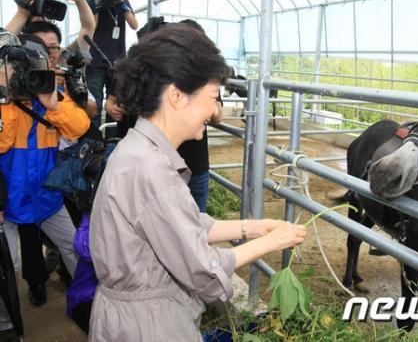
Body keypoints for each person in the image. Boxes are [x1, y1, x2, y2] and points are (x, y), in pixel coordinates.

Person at [89, 25, 306, 341]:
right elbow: (202, 268)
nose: (214, 110)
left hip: (134, 315)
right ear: (176, 96)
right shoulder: (151, 170)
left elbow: (182, 225)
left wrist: (253, 227)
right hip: (149, 326)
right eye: (212, 96)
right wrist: (272, 243)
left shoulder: (139, 149)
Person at [0, 31, 90, 335]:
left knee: (76, 249)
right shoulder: (4, 103)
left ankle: (92, 303)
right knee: (7, 266)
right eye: (19, 74)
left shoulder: (51, 100)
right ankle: (7, 325)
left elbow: (80, 127)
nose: (26, 80)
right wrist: (7, 100)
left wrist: (54, 103)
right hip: (7, 202)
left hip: (46, 199)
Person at [105, 17, 221, 212]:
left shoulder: (135, 157)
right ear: (176, 96)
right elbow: (185, 236)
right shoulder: (149, 167)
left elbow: (191, 229)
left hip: (194, 165)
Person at [83, 0, 138, 131]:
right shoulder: (94, 0)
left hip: (118, 63)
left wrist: (121, 5)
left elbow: (134, 25)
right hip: (95, 60)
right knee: (96, 104)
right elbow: (91, 27)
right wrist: (97, 5)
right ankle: (94, 142)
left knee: (115, 105)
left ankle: (111, 142)